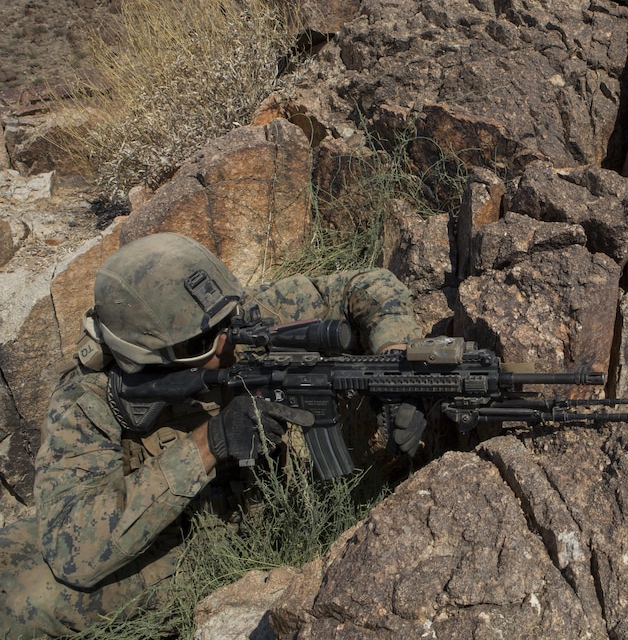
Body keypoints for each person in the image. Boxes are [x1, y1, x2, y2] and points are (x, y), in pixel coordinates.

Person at [0, 232, 421, 637]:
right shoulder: (85, 400)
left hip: (267, 515)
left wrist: (395, 361)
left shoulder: (231, 321)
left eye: (229, 323)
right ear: (145, 356)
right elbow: (76, 550)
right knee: (14, 592)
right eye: (202, 342)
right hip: (175, 545)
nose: (227, 344)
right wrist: (209, 443)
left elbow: (367, 285)